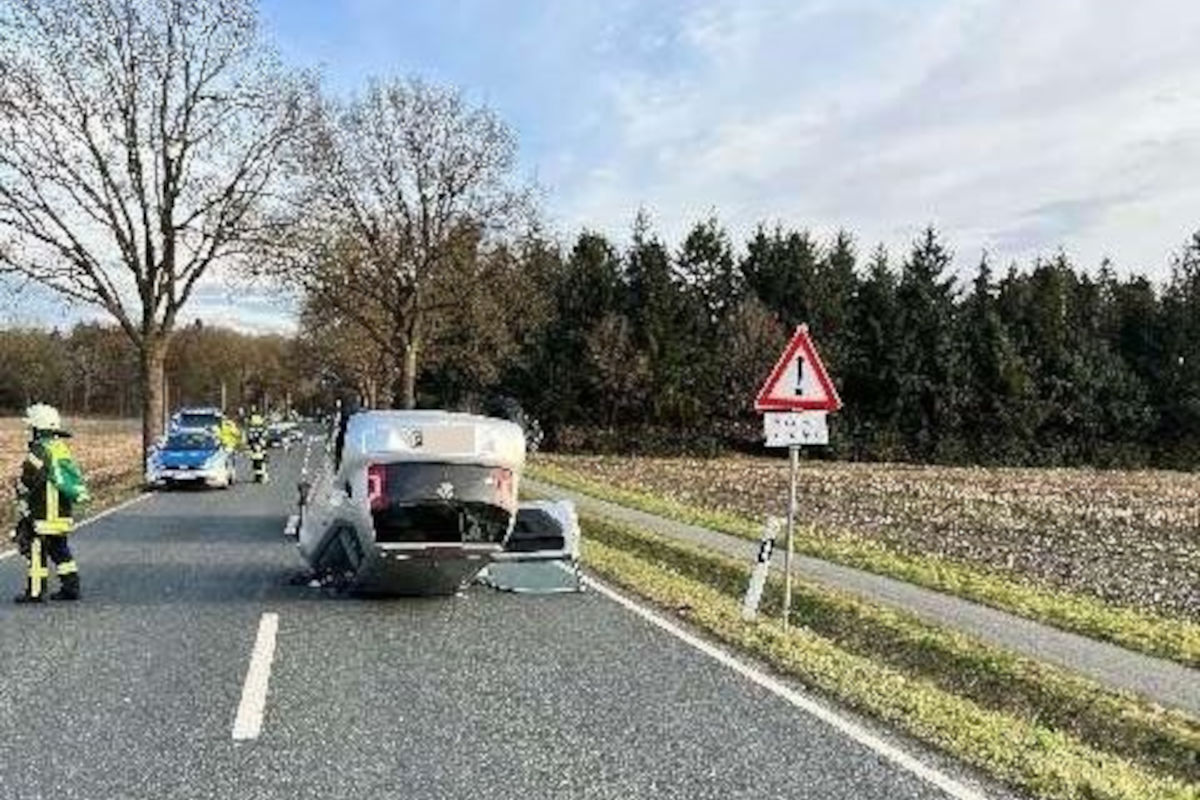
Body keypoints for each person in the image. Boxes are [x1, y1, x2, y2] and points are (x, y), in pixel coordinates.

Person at [12, 404, 90, 603]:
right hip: (61, 511)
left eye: (32, 428)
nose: (30, 432)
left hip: (42, 511)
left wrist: (19, 491)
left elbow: (28, 479)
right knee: (59, 549)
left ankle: (36, 592)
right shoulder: (59, 448)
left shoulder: (39, 451)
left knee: (36, 549)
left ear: (38, 428)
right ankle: (71, 587)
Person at [245, 410, 269, 483]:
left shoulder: (252, 426)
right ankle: (260, 477)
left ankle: (261, 477)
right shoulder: (261, 424)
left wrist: (249, 445)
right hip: (259, 446)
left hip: (257, 446)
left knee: (258, 462)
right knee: (259, 462)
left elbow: (250, 437)